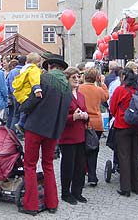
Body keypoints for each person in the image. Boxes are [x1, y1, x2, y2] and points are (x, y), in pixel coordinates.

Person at [18, 54, 71, 216]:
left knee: (30, 165)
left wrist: (22, 108)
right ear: (62, 69)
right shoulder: (68, 87)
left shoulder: (44, 78)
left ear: (49, 66)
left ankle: (31, 205)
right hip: (54, 131)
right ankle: (52, 203)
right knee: (48, 165)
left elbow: (33, 100)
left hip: (36, 127)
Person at [110, 67, 138, 197]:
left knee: (124, 156)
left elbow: (112, 107)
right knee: (136, 156)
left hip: (123, 125)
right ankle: (137, 186)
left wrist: (118, 115)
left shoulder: (120, 90)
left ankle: (126, 187)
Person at [59, 67, 88, 205]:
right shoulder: (63, 95)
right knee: (68, 166)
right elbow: (59, 117)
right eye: (73, 77)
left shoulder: (81, 96)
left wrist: (85, 115)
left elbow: (85, 111)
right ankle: (66, 193)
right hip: (68, 136)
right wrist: (73, 117)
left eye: (78, 77)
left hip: (80, 134)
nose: (77, 79)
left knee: (80, 166)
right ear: (68, 79)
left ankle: (78, 192)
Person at [78, 67, 109, 186]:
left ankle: (81, 175)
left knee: (82, 150)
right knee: (94, 150)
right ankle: (92, 176)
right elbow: (106, 96)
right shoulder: (98, 90)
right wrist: (102, 83)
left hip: (83, 122)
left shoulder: (79, 89)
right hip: (96, 123)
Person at [12, 52, 42, 134]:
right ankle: (21, 124)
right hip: (27, 93)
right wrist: (37, 90)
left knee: (20, 111)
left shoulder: (24, 69)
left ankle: (15, 129)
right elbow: (34, 80)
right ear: (37, 62)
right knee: (26, 110)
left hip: (19, 94)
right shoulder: (34, 69)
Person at [6, 56, 26, 132]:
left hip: (14, 95)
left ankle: (12, 131)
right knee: (23, 114)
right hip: (24, 95)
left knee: (14, 114)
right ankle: (21, 131)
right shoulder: (26, 71)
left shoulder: (12, 72)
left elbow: (7, 83)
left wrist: (10, 94)